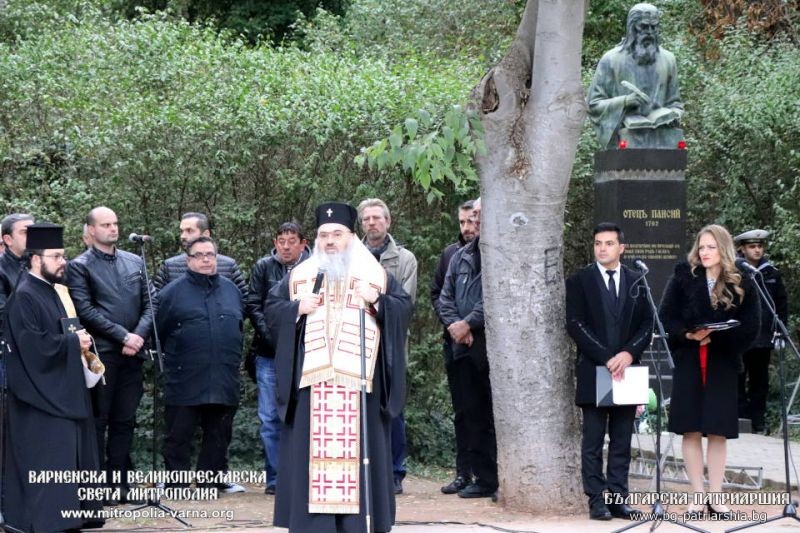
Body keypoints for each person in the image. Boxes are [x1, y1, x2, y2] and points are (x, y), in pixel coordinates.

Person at [266, 202, 412, 533]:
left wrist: (376, 301)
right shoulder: (299, 276)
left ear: (350, 236)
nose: (330, 241)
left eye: (337, 234)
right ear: (315, 240)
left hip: (360, 384)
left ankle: (357, 523)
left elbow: (404, 308)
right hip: (313, 384)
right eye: (323, 235)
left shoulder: (374, 274)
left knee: (362, 454)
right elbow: (272, 310)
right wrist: (297, 309)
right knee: (309, 458)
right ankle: (313, 525)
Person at [2, 223, 104, 531]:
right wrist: (74, 342)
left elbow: (59, 333)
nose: (64, 262)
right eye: (57, 256)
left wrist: (79, 342)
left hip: (64, 390)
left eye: (63, 255)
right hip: (40, 400)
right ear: (36, 258)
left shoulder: (52, 291)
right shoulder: (23, 296)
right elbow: (32, 347)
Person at [659, 224, 760, 519]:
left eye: (710, 247)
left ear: (724, 249)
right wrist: (688, 335)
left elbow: (752, 325)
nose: (704, 252)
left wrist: (721, 335)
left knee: (717, 431)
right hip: (690, 359)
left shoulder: (742, 280)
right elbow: (666, 316)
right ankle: (696, 496)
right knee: (690, 429)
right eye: (701, 247)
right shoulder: (684, 276)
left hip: (722, 361)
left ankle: (716, 498)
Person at [67, 206, 156, 505]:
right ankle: (96, 489)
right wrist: (122, 335)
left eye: (115, 223)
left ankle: (120, 485)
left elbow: (151, 302)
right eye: (106, 224)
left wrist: (138, 336)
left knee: (125, 421)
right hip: (102, 355)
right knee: (99, 421)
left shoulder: (134, 260)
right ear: (91, 230)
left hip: (133, 353)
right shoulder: (79, 266)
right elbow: (86, 310)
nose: (113, 229)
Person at [565, 222, 653, 520]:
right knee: (592, 440)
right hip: (595, 370)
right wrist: (607, 357)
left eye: (609, 243)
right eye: (598, 243)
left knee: (621, 440)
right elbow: (574, 324)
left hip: (628, 371)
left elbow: (647, 324)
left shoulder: (637, 279)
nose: (602, 248)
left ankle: (618, 499)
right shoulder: (580, 281)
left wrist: (628, 354)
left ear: (621, 248)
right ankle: (596, 501)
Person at [156, 236, 244, 488]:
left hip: (224, 376)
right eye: (199, 255)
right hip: (184, 377)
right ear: (188, 260)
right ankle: (177, 483)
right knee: (178, 434)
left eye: (210, 254)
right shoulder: (171, 293)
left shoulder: (231, 289)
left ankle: (210, 483)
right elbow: (158, 332)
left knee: (218, 434)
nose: (206, 259)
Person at [245, 221, 311, 495]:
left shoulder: (317, 267)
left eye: (291, 241)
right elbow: (253, 305)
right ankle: (275, 478)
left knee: (303, 416)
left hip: (307, 354)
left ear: (303, 243)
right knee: (270, 417)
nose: (285, 246)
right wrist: (274, 337)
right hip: (269, 354)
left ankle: (303, 475)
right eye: (280, 240)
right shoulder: (263, 267)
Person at [438, 199, 497, 499]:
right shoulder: (459, 256)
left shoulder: (500, 254)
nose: (473, 223)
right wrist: (456, 326)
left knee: (493, 416)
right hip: (462, 347)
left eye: (478, 217)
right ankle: (483, 478)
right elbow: (444, 296)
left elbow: (496, 295)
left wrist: (469, 324)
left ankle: (498, 479)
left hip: (491, 346)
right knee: (471, 415)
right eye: (472, 217)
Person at [357, 198, 417, 495]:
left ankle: (394, 472)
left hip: (390, 345)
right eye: (366, 218)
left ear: (388, 221)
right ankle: (363, 470)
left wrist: (377, 302)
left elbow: (406, 305)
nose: (372, 223)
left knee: (392, 409)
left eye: (377, 218)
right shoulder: (350, 256)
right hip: (355, 345)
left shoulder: (405, 259)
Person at [587, 3, 684, 149]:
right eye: (644, 27)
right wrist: (625, 101)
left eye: (654, 27)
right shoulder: (611, 59)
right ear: (632, 28)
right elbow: (593, 105)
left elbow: (675, 103)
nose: (650, 32)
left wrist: (674, 115)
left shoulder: (668, 59)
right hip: (626, 137)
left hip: (663, 140)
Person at [430, 200, 477, 494]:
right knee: (461, 411)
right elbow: (437, 294)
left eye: (472, 222)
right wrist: (454, 326)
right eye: (462, 223)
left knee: (482, 412)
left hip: (481, 342)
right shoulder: (450, 254)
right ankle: (463, 473)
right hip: (455, 343)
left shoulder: (487, 252)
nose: (467, 228)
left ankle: (488, 473)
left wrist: (470, 325)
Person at [734, 229, 788, 435]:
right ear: (743, 249)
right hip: (740, 337)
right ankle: (740, 420)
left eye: (759, 246)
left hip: (764, 337)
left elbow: (781, 305)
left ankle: (758, 423)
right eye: (752, 246)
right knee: (738, 379)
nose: (757, 250)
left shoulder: (770, 273)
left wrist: (780, 332)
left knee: (760, 381)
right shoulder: (734, 271)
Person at [154, 212, 247, 296]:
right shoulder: (169, 267)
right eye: (181, 231)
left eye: (189, 231)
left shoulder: (228, 266)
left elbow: (243, 301)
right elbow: (157, 304)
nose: (183, 236)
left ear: (206, 234)